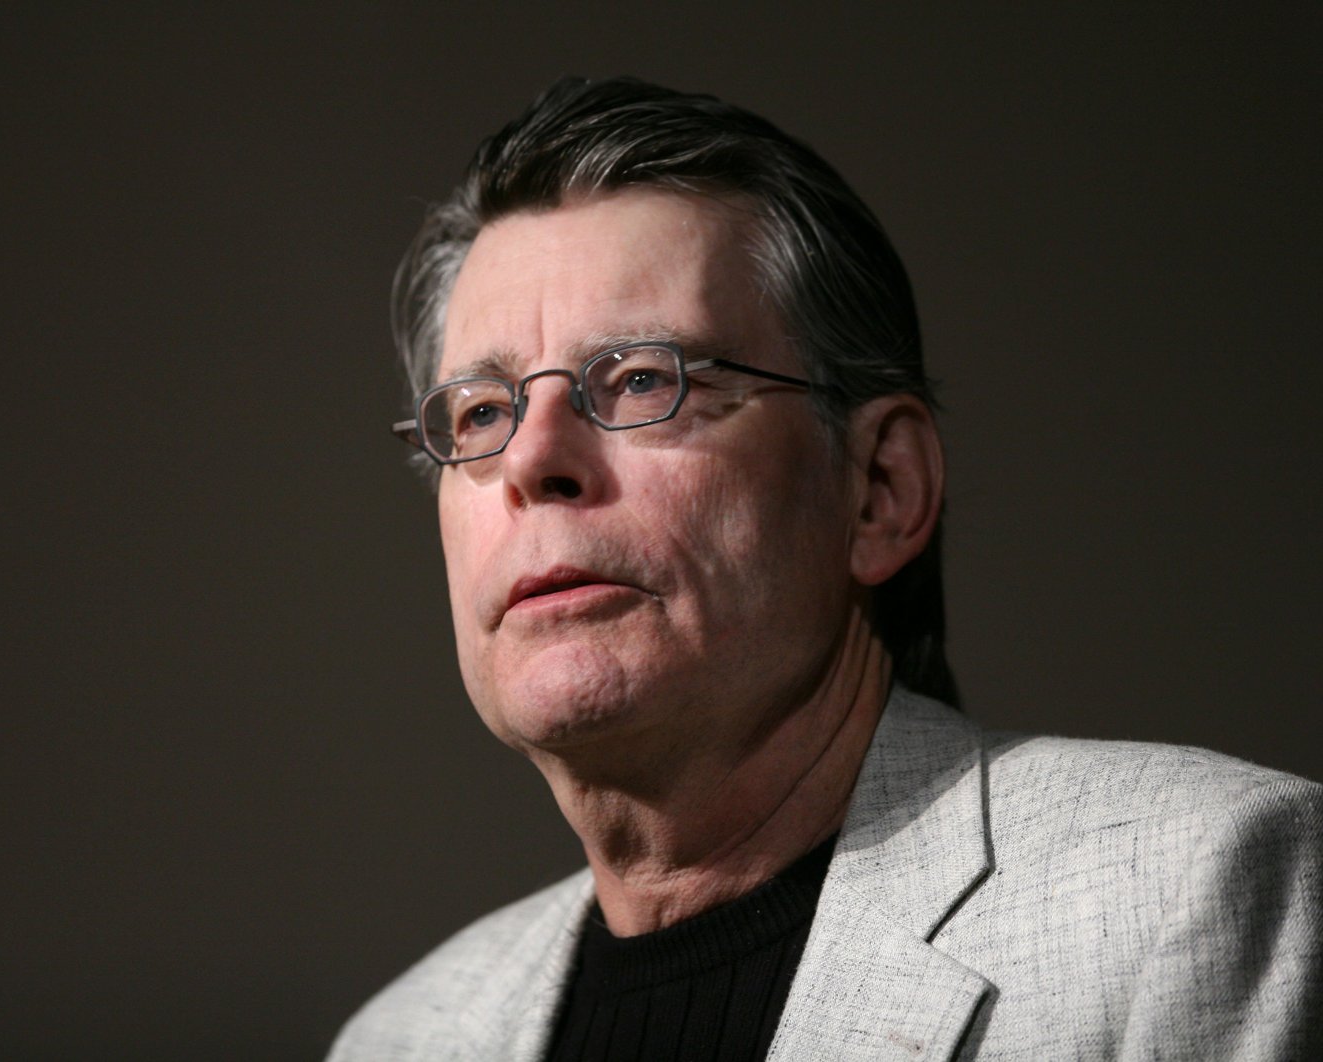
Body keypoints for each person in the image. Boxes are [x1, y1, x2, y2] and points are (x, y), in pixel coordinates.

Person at [329, 77, 1321, 1060]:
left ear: (878, 487)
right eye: (483, 414)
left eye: (641, 381)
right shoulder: (402, 1038)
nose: (534, 462)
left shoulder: (1202, 889)